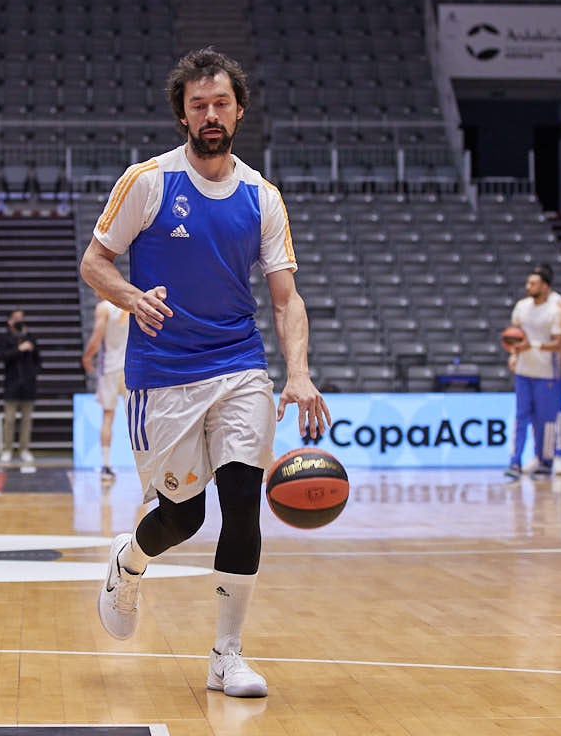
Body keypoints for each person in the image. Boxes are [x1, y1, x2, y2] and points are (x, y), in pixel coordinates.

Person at [80, 47, 330, 698]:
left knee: (243, 504)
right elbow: (95, 262)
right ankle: (129, 558)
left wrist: (297, 373)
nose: (211, 114)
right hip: (163, 374)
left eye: (221, 103)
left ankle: (226, 655)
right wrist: (128, 297)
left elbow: (286, 297)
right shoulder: (149, 182)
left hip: (239, 365)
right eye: (199, 105)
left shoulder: (261, 197)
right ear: (182, 115)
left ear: (239, 111)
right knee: (182, 519)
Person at [504, 263, 561, 479]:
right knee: (521, 417)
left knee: (546, 420)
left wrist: (534, 345)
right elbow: (515, 336)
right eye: (528, 282)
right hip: (524, 371)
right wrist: (514, 354)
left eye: (533, 283)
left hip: (546, 372)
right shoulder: (521, 307)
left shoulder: (556, 309)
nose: (528, 286)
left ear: (545, 286)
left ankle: (547, 460)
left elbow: (559, 342)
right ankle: (515, 462)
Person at [81, 294, 130, 480]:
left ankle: (107, 466)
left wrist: (87, 356)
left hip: (110, 366)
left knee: (108, 416)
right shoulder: (129, 303)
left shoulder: (103, 308)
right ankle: (146, 464)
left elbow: (96, 337)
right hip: (130, 365)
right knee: (136, 417)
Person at [0, 308, 41, 465]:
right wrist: (18, 349)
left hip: (28, 385)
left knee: (27, 420)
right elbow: (3, 356)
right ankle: (7, 449)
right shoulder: (4, 338)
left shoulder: (30, 337)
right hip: (11, 385)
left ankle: (24, 449)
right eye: (16, 318)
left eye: (22, 318)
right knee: (9, 420)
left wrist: (32, 372)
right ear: (10, 321)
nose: (20, 321)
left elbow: (38, 360)